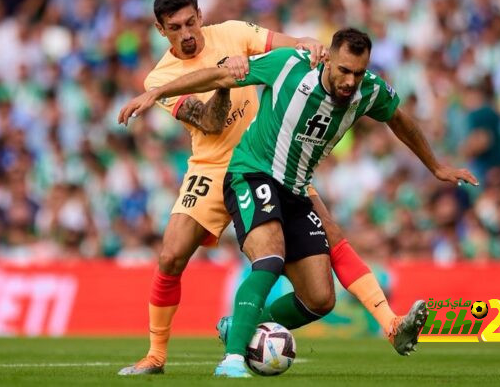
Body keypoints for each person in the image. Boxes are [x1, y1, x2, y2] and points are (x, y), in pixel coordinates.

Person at [119, 28, 479, 378]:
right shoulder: (290, 65)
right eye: (343, 71)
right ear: (327, 61)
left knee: (320, 299)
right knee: (266, 256)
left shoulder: (369, 91)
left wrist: (436, 166)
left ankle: (242, 328)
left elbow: (399, 119)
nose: (350, 81)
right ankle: (230, 361)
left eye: (357, 72)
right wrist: (156, 93)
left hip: (295, 187)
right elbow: (217, 76)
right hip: (251, 172)